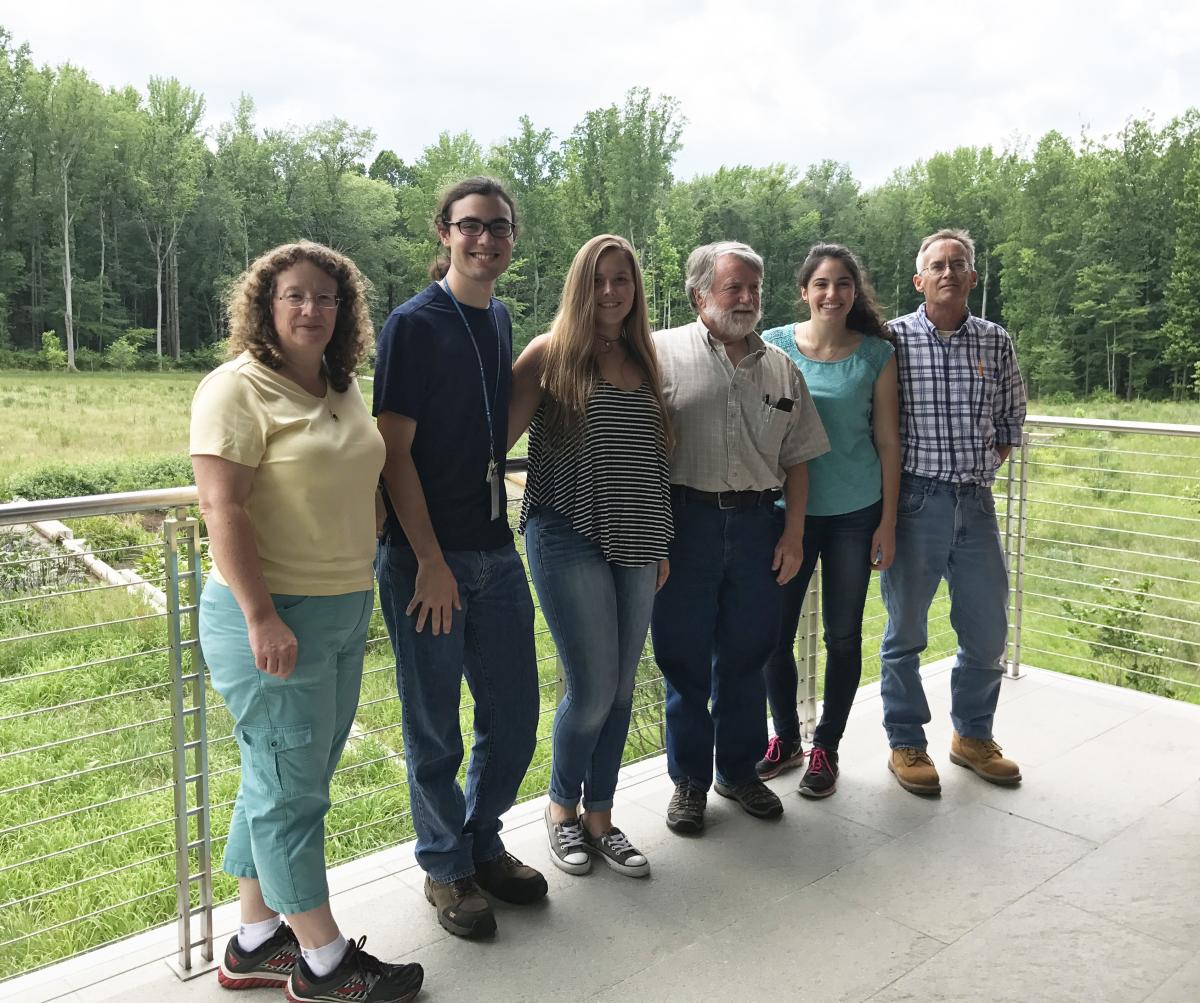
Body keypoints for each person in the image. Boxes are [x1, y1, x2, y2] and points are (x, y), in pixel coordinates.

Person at [193, 241, 424, 1002]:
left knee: (286, 775)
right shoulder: (236, 389)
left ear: (345, 310)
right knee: (291, 787)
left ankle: (254, 941)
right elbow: (220, 508)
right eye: (293, 295)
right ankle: (325, 963)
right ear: (264, 305)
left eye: (326, 297)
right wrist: (261, 616)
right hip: (270, 613)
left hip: (340, 608)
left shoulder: (341, 385)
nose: (310, 309)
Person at [374, 177, 546, 940]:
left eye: (499, 228)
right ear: (443, 232)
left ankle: (481, 839)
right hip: (426, 561)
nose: (486, 240)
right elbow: (392, 453)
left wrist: (544, 370)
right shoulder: (413, 325)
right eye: (471, 226)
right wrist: (429, 560)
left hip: (495, 548)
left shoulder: (500, 317)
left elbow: (488, 433)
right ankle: (445, 868)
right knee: (435, 726)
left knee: (513, 716)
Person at [509, 234, 673, 879]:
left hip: (638, 538)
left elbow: (653, 456)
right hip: (567, 533)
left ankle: (601, 818)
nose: (611, 292)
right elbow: (494, 437)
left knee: (625, 686)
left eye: (623, 280)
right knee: (594, 687)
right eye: (599, 280)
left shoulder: (644, 355)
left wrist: (660, 536)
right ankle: (560, 811)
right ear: (581, 287)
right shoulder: (551, 355)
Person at [651, 240, 829, 833]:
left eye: (755, 287)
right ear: (700, 293)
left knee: (748, 656)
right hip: (683, 524)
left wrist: (794, 535)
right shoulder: (659, 353)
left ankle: (739, 772)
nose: (749, 299)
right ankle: (690, 783)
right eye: (735, 287)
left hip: (759, 526)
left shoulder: (781, 367)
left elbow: (799, 459)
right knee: (684, 662)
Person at [880, 228, 1027, 795]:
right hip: (916, 502)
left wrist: (980, 468)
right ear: (919, 280)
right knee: (905, 633)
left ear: (972, 277)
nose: (947, 272)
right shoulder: (891, 339)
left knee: (987, 630)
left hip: (976, 502)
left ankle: (971, 736)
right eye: (936, 265)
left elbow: (1011, 418)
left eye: (957, 263)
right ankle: (906, 743)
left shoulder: (995, 340)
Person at [756, 244, 900, 798]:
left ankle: (827, 748)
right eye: (821, 284)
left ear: (854, 292)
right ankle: (786, 738)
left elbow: (888, 441)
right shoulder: (775, 346)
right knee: (773, 636)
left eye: (843, 284)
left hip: (853, 514)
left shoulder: (876, 355)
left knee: (842, 638)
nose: (832, 294)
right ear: (804, 290)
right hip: (785, 514)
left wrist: (886, 522)